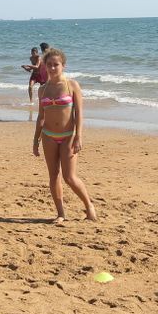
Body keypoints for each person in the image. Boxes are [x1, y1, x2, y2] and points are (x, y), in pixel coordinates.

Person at [32, 48, 97, 222]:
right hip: (48, 136)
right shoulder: (42, 90)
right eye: (49, 65)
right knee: (53, 176)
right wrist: (35, 140)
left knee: (69, 177)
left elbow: (79, 113)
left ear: (63, 66)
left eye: (56, 65)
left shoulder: (72, 85)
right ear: (45, 66)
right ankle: (60, 213)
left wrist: (79, 136)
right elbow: (41, 116)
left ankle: (89, 206)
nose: (52, 68)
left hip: (68, 136)